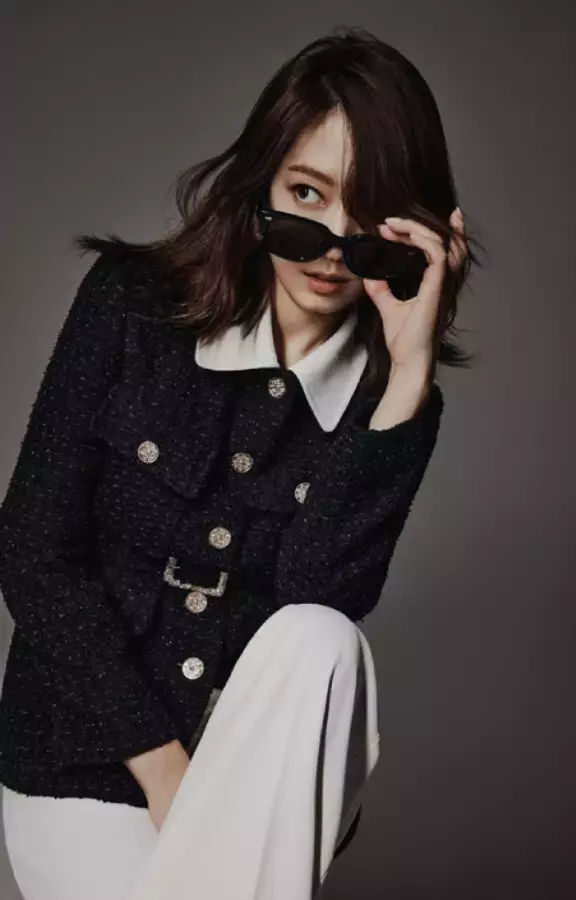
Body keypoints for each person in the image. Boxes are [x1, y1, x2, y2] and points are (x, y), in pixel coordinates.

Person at [0, 24, 478, 900]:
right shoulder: (130, 307)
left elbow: (319, 589)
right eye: (307, 193)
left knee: (323, 638)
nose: (332, 245)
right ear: (263, 182)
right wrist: (166, 771)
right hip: (87, 756)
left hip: (259, 775)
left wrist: (409, 374)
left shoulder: (387, 400)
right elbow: (33, 551)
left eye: (370, 215)